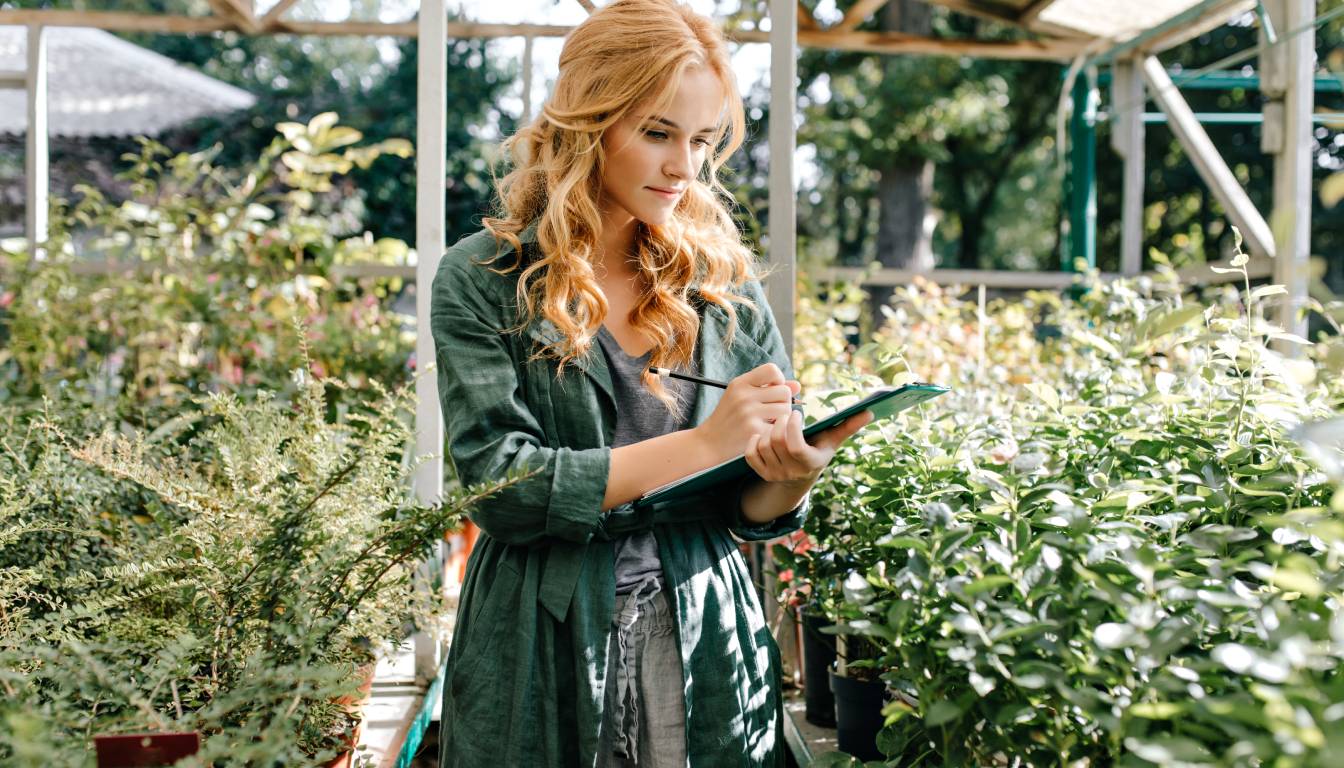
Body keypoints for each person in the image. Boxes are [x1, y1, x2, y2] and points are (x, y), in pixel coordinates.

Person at [431, 1, 872, 764]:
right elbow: (498, 487)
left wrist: (791, 477)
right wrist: (705, 442)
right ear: (586, 123)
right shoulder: (483, 279)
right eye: (658, 133)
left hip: (703, 629)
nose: (684, 167)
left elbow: (746, 504)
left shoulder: (721, 282)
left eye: (702, 140)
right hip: (544, 631)